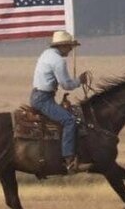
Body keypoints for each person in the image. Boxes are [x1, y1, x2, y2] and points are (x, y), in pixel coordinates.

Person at [30, 30, 89, 174]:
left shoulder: (46, 54)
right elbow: (66, 85)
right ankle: (69, 160)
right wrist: (79, 81)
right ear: (62, 46)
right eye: (69, 46)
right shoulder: (58, 61)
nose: (70, 49)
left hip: (39, 96)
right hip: (43, 99)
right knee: (69, 120)